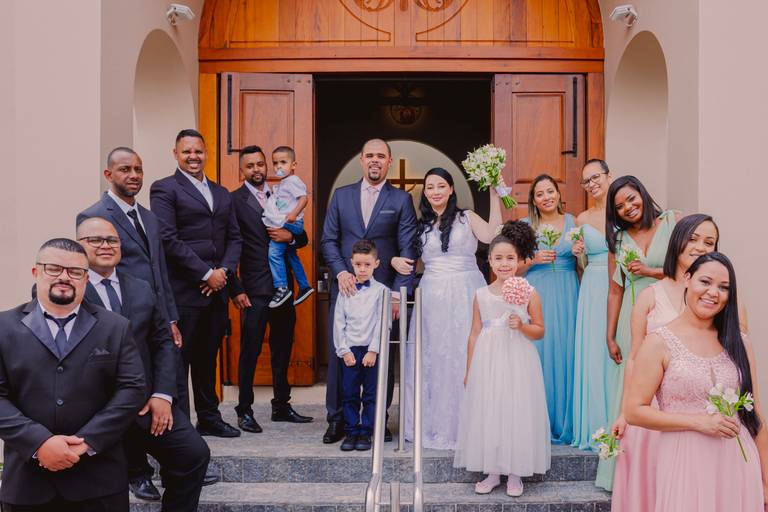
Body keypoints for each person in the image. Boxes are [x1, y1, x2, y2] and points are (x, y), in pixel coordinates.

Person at [76, 146, 215, 499]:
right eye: (125, 169)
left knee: (168, 389)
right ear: (109, 175)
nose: (133, 175)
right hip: (118, 329)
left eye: (138, 169)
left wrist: (170, 318)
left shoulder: (150, 218)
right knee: (129, 399)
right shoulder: (94, 217)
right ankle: (137, 472)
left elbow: (160, 274)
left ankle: (175, 466)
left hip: (154, 317)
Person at [610, 214, 749, 511]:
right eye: (693, 238)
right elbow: (634, 357)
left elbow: (738, 363)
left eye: (708, 241)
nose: (700, 246)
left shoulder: (722, 297)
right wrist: (625, 412)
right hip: (658, 411)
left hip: (715, 422)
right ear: (678, 240)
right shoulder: (650, 295)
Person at [0, 238, 145, 511]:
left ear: (86, 279)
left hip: (99, 482)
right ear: (36, 272)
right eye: (54, 268)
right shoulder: (3, 327)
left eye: (75, 271)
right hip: (28, 484)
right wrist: (39, 442)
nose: (64, 277)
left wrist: (86, 443)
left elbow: (132, 390)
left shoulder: (116, 327)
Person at [625, 252, 767, 511]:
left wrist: (767, 481)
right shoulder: (658, 342)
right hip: (684, 462)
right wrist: (698, 422)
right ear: (687, 280)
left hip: (738, 461)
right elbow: (634, 411)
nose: (714, 292)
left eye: (724, 288)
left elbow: (754, 414)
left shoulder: (740, 342)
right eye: (706, 282)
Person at [396, 167, 502, 450]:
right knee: (434, 357)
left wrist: (494, 192)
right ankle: (435, 425)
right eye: (430, 187)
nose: (435, 192)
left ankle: (470, 425)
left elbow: (493, 235)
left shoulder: (467, 218)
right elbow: (418, 264)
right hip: (432, 296)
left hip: (466, 291)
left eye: (441, 186)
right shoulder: (423, 226)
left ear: (452, 189)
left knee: (465, 354)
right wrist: (395, 261)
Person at [321, 138, 418, 444]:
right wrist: (340, 272)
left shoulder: (401, 200)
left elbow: (408, 250)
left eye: (381, 156)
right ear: (361, 160)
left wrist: (398, 294)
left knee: (380, 357)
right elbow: (328, 241)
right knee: (341, 355)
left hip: (382, 293)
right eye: (370, 156)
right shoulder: (341, 196)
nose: (375, 160)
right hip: (347, 291)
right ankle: (337, 420)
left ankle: (378, 420)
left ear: (389, 162)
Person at [150, 128, 243, 438]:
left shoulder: (221, 193)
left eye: (198, 151)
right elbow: (167, 238)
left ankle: (210, 417)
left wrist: (223, 274)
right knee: (179, 363)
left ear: (206, 153)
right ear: (176, 154)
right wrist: (206, 274)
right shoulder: (164, 189)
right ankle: (180, 428)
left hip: (216, 293)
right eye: (186, 151)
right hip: (185, 292)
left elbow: (234, 237)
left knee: (208, 360)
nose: (193, 156)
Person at [454, 222, 550, 498]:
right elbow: (474, 333)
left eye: (510, 258)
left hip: (518, 357)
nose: (505, 263)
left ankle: (515, 472)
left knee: (515, 408)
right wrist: (470, 368)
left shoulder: (529, 292)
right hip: (488, 359)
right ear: (490, 262)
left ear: (520, 260)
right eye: (499, 258)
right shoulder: (480, 294)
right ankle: (493, 470)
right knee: (491, 408)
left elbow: (540, 330)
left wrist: (521, 324)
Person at [595, 175, 678, 490]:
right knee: (631, 389)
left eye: (632, 199)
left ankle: (666, 468)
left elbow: (690, 268)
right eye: (620, 206)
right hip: (635, 319)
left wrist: (651, 271)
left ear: (643, 194)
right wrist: (610, 333)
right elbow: (614, 291)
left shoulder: (671, 223)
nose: (628, 207)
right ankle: (630, 473)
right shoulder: (617, 241)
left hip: (670, 313)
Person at [229, 145, 313, 433]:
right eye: (250, 165)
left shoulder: (282, 193)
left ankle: (281, 405)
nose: (257, 170)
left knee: (282, 347)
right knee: (250, 350)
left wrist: (290, 237)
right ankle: (244, 410)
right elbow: (230, 245)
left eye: (260, 164)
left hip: (283, 288)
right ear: (242, 170)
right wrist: (235, 288)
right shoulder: (234, 201)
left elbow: (302, 239)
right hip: (253, 289)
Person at [519, 174, 579, 445]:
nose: (546, 197)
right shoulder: (524, 226)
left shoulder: (573, 223)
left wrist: (581, 253)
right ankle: (534, 421)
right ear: (533, 199)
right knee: (537, 353)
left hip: (567, 291)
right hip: (536, 291)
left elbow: (584, 266)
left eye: (550, 191)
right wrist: (532, 260)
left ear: (558, 193)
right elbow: (511, 267)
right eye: (540, 193)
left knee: (565, 352)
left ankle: (564, 421)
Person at [570, 160, 612, 450]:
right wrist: (578, 254)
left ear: (609, 175)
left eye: (595, 177)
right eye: (586, 181)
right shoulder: (581, 219)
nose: (591, 184)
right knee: (595, 350)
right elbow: (581, 265)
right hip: (594, 285)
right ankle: (596, 424)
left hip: (621, 281)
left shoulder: (625, 209)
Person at [333, 239, 388, 452]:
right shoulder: (345, 290)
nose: (362, 269)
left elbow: (381, 322)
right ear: (351, 263)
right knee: (349, 393)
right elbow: (339, 322)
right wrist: (344, 350)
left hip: (371, 350)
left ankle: (366, 431)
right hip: (351, 350)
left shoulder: (381, 291)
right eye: (358, 264)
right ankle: (351, 431)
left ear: (376, 264)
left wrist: (374, 350)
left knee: (371, 394)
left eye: (367, 264)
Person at [262, 145, 314, 308]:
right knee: (292, 256)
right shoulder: (284, 183)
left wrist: (293, 214)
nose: (278, 167)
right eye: (275, 163)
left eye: (283, 162)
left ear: (293, 165)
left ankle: (282, 287)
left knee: (274, 253)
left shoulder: (292, 181)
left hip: (291, 223)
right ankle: (304, 286)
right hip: (290, 222)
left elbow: (304, 199)